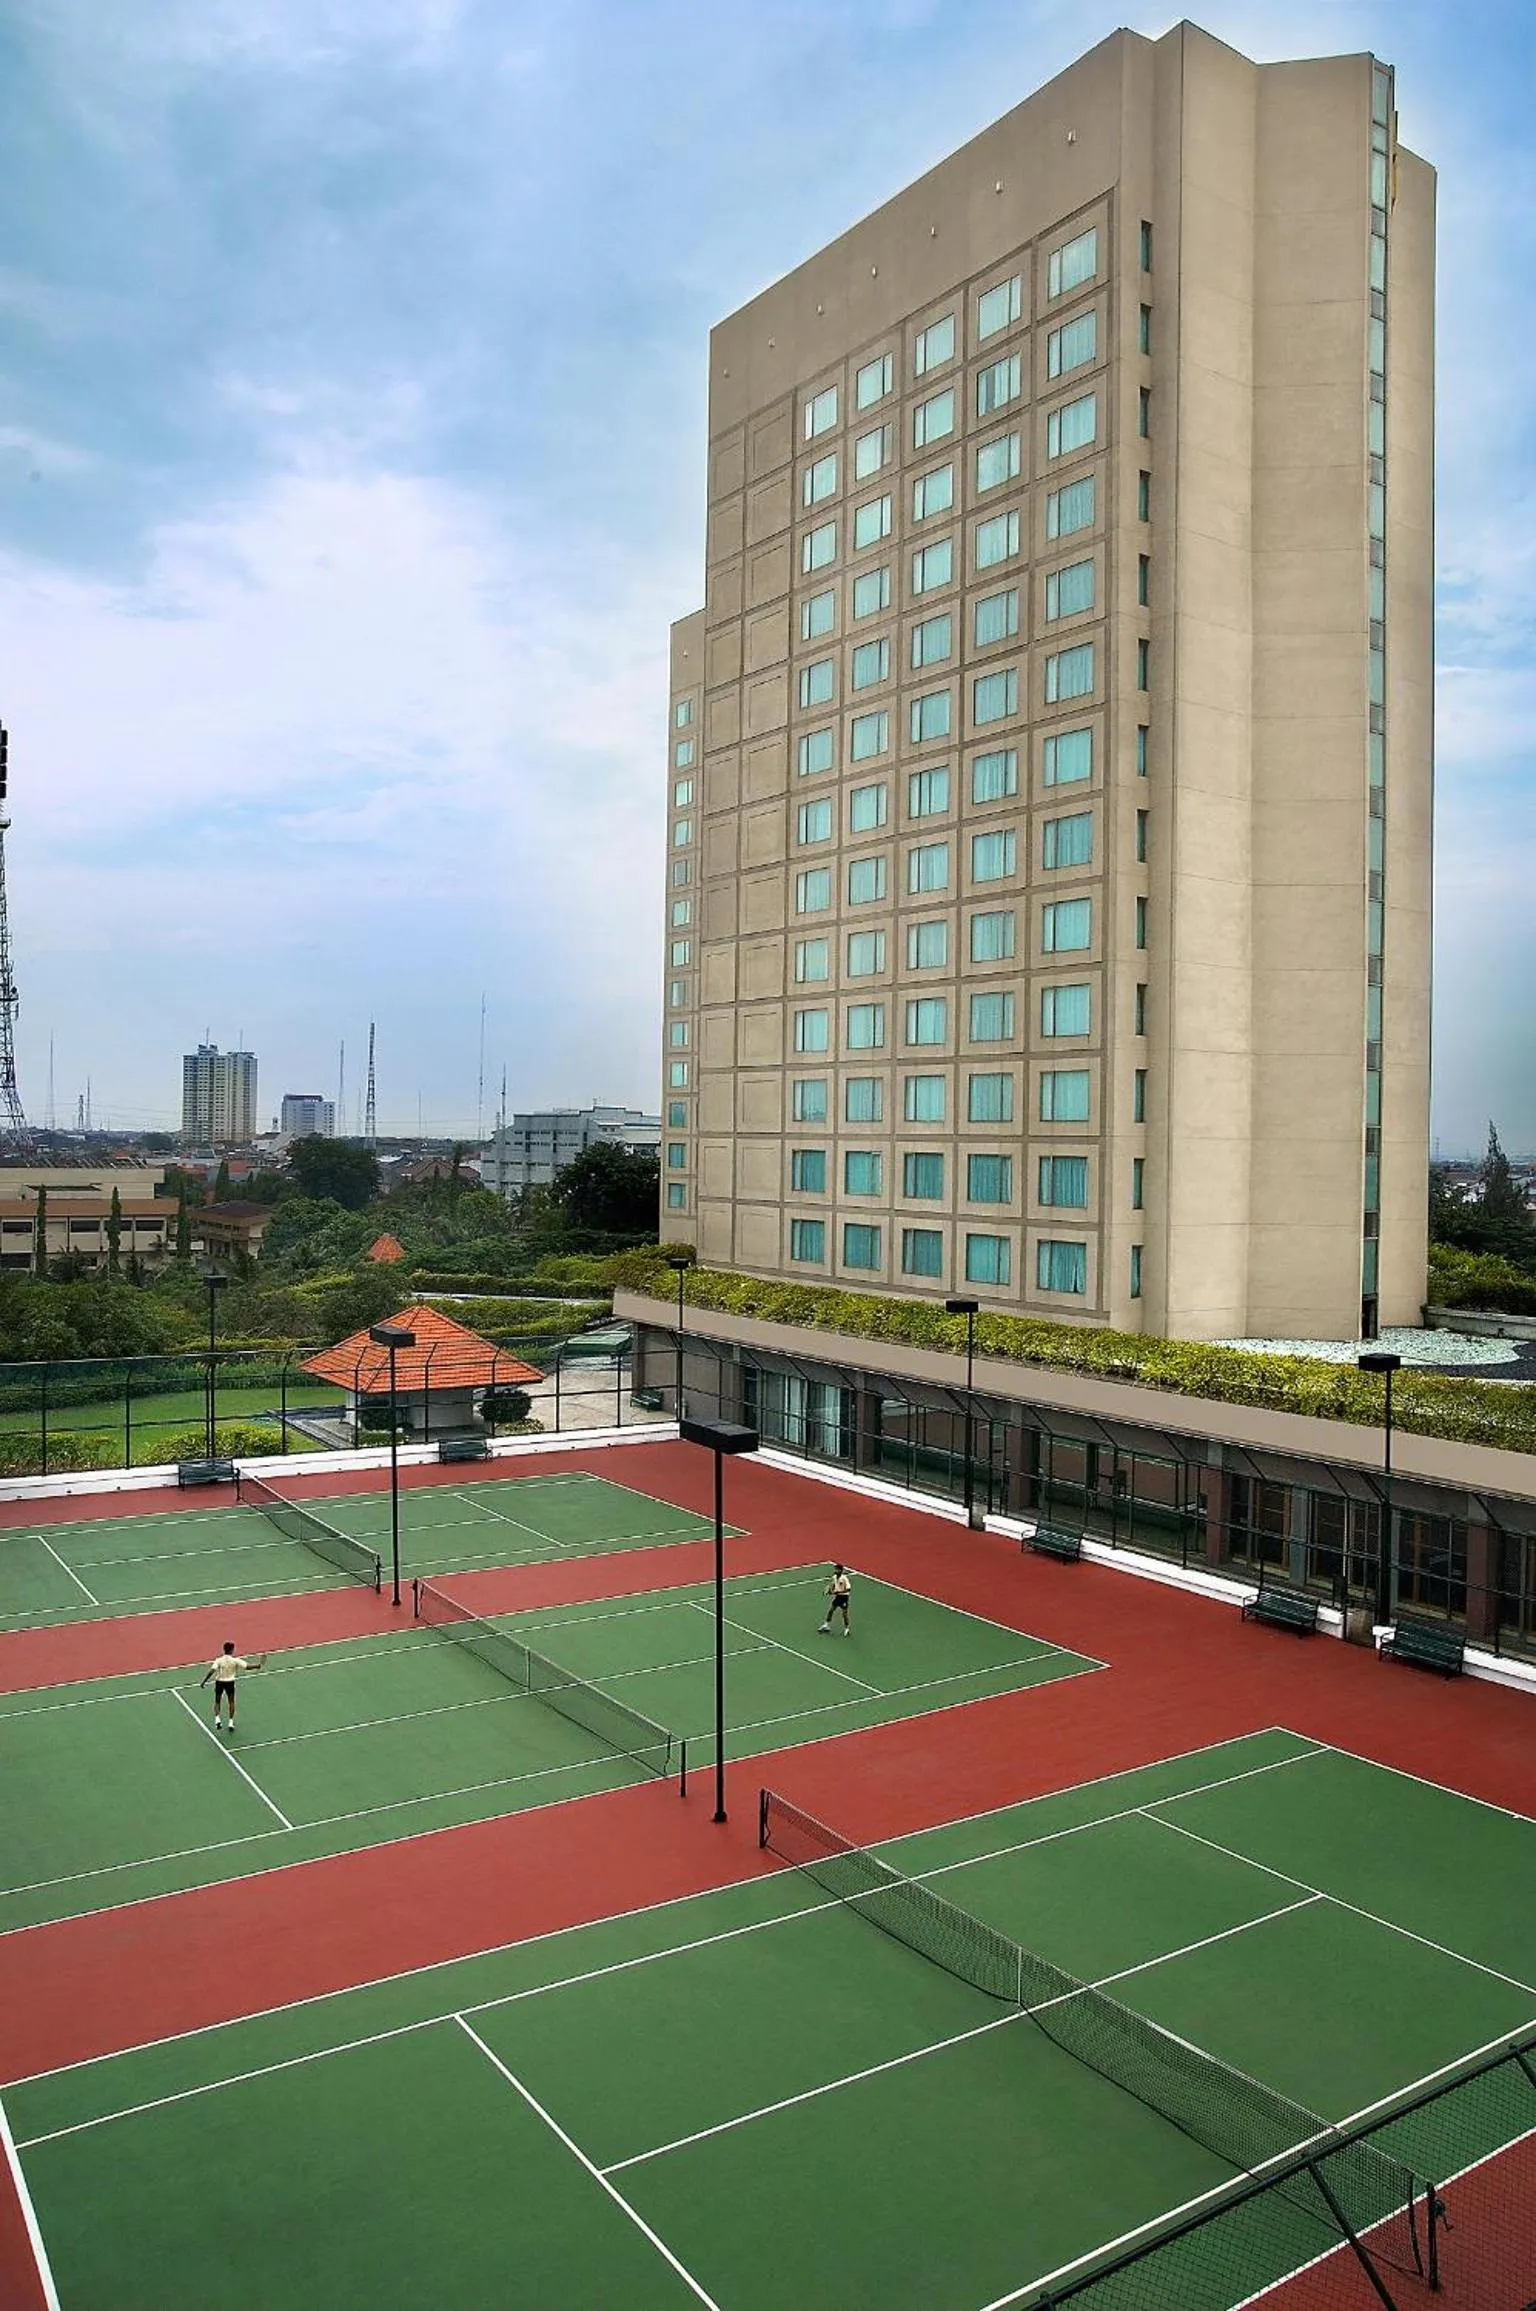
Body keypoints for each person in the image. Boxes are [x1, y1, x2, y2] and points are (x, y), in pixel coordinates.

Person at [198, 1640, 264, 1731]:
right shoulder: (235, 1661)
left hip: (219, 1682)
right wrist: (258, 1666)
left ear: (224, 1650)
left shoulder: (219, 1660)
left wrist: (204, 1681)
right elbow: (247, 1667)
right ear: (232, 1650)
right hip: (230, 1683)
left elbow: (211, 1671)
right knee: (231, 1702)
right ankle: (231, 1723)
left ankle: (217, 1719)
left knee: (217, 1701)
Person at [818, 1564, 852, 1637]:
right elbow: (833, 1585)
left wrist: (838, 1592)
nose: (835, 1571)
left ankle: (846, 1629)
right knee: (831, 1610)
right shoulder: (834, 1577)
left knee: (844, 1614)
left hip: (844, 1597)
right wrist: (830, 1590)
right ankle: (826, 1625)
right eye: (835, 1569)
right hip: (838, 1597)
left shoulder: (844, 1578)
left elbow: (848, 1589)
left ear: (840, 1570)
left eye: (837, 1569)